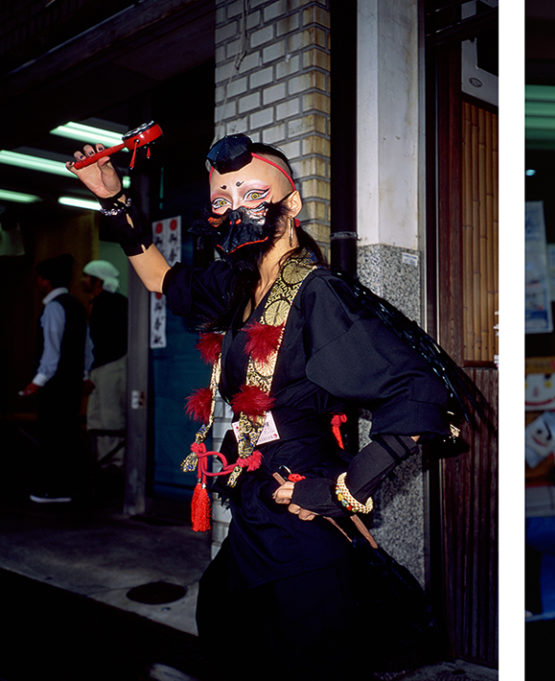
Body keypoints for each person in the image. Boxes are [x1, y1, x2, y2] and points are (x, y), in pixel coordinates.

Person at [66, 134, 463, 680]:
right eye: (221, 199)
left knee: (308, 648)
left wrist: (341, 489)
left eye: (253, 194)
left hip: (300, 504)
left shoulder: (319, 293)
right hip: (255, 497)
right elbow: (162, 278)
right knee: (230, 618)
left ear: (292, 203)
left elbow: (421, 392)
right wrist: (115, 199)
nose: (236, 209)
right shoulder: (238, 284)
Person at [21, 254, 88, 504]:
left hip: (55, 384)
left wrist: (37, 381)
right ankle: (69, 488)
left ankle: (52, 489)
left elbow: (51, 350)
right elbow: (87, 346)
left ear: (44, 280)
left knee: (51, 436)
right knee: (67, 435)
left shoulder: (53, 307)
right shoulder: (77, 306)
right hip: (71, 383)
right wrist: (84, 374)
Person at [81, 259, 128, 472]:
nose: (83, 281)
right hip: (102, 365)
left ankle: (115, 462)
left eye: (86, 276)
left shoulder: (112, 303)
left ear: (97, 279)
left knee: (109, 415)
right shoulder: (105, 302)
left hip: (112, 363)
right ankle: (103, 460)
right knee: (98, 416)